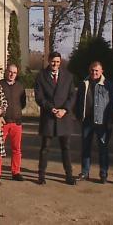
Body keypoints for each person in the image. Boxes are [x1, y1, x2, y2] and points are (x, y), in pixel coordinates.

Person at [34, 51, 77, 185]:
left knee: (66, 147)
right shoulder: (41, 76)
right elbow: (39, 97)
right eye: (53, 61)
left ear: (60, 62)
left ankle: (69, 175)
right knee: (45, 147)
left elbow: (72, 95)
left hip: (64, 117)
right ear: (49, 60)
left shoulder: (68, 76)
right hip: (48, 116)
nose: (55, 64)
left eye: (58, 62)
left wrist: (64, 109)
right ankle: (41, 175)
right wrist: (51, 108)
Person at [74, 61, 113, 183]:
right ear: (90, 70)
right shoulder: (84, 84)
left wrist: (111, 120)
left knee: (103, 149)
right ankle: (84, 172)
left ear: (101, 71)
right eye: (92, 70)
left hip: (102, 123)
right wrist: (78, 116)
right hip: (87, 121)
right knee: (85, 148)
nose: (94, 72)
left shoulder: (108, 85)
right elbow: (78, 101)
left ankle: (103, 174)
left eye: (97, 70)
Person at [0, 64, 26, 181]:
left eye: (14, 72)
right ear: (6, 72)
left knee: (16, 149)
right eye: (10, 71)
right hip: (3, 122)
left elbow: (23, 103)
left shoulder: (20, 86)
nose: (12, 74)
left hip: (16, 122)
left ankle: (16, 172)